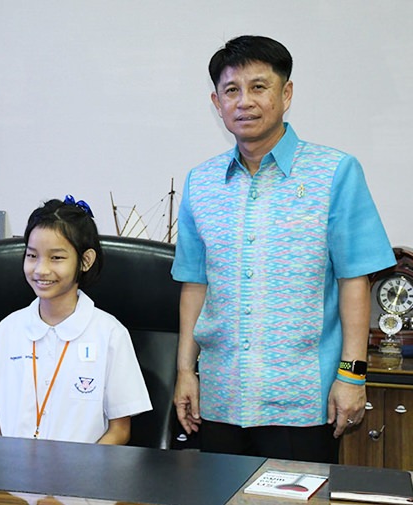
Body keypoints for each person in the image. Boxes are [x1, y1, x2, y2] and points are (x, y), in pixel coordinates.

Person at [172, 35, 395, 463]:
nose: (244, 102)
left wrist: (352, 375)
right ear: (216, 103)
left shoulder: (336, 172)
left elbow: (354, 281)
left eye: (259, 87)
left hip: (302, 403)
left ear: (285, 93)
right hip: (219, 398)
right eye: (231, 90)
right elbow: (194, 285)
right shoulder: (200, 183)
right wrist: (185, 371)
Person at [0, 196, 152, 444]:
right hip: (11, 476)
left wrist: (79, 475)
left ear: (85, 261)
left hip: (82, 477)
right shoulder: (7, 330)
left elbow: (119, 430)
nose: (40, 270)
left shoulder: (110, 334)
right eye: (32, 256)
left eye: (56, 258)